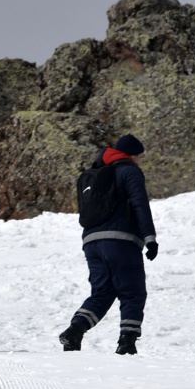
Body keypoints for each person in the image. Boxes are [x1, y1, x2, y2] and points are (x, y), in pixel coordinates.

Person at [58, 133, 157, 355]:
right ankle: (127, 342)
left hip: (91, 243)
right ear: (131, 154)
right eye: (139, 156)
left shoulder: (96, 173)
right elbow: (140, 203)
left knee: (102, 292)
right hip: (120, 242)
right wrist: (149, 237)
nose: (139, 160)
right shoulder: (129, 171)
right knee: (132, 291)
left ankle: (75, 330)